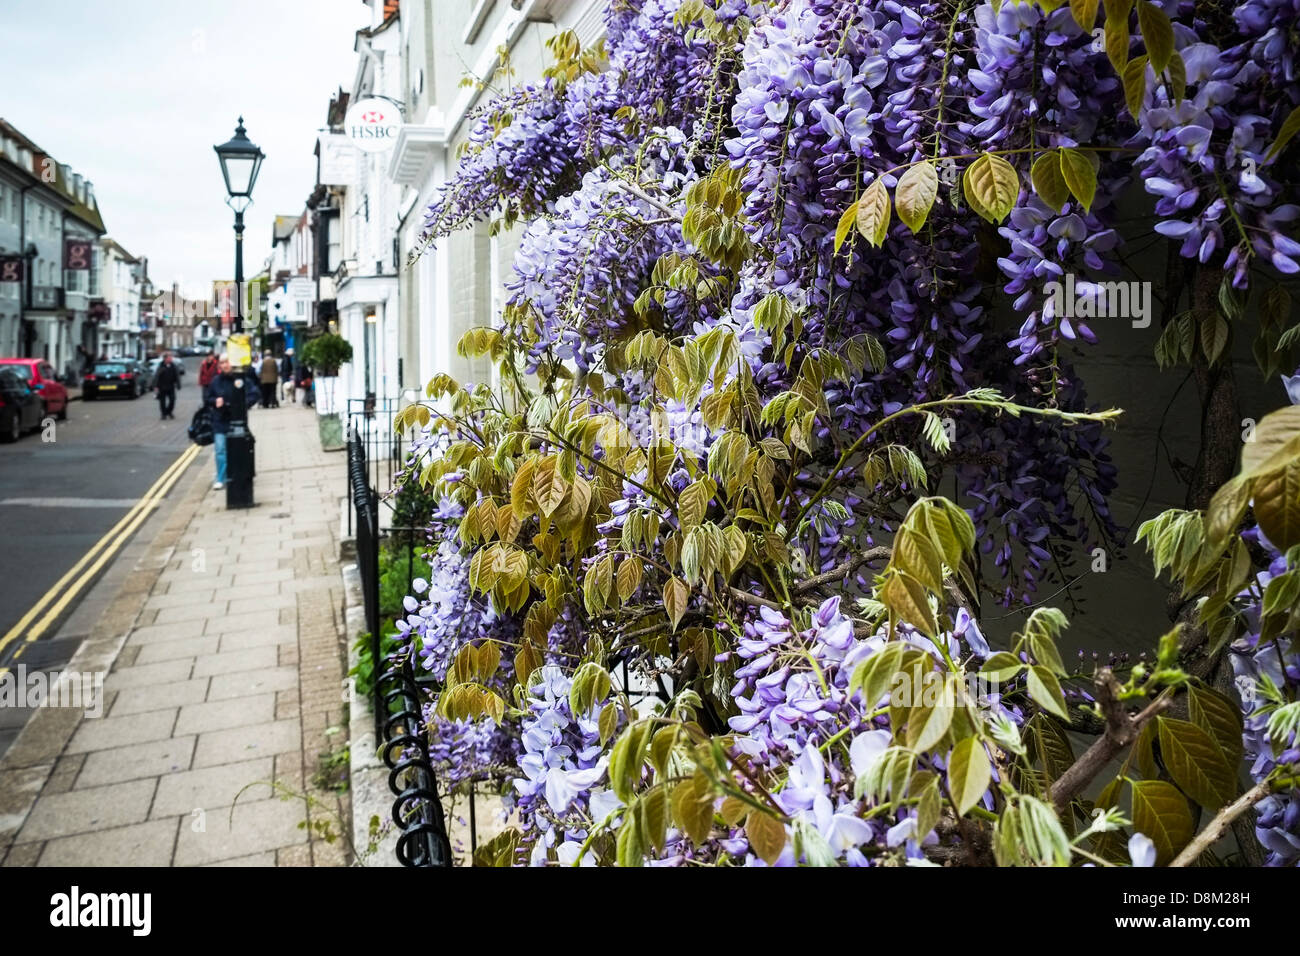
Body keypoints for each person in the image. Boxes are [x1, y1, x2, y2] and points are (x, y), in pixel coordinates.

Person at [204, 356, 235, 490]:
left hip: (235, 420)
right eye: (222, 363)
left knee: (233, 450)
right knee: (220, 450)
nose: (224, 365)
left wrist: (242, 405)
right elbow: (207, 398)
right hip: (219, 420)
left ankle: (231, 475)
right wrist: (214, 401)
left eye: (227, 362)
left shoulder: (239, 379)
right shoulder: (216, 381)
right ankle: (221, 478)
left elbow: (253, 394)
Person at [153, 351, 181, 420]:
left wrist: (178, 384)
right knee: (162, 402)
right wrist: (155, 386)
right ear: (165, 359)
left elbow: (177, 375)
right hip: (162, 386)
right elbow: (157, 376)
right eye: (169, 358)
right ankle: (163, 414)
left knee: (172, 400)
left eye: (171, 357)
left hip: (171, 386)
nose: (171, 359)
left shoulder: (173, 365)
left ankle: (169, 411)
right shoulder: (161, 366)